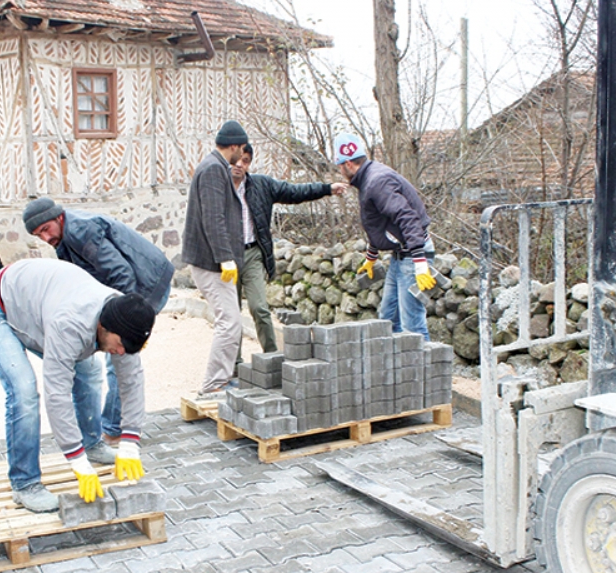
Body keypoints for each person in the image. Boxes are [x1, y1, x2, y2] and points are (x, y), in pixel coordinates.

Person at [0, 258, 156, 512]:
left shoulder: (126, 318)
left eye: (128, 348)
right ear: (103, 326)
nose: (121, 352)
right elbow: (57, 393)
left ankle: (92, 443)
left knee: (90, 372)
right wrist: (76, 461)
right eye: (120, 345)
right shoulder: (70, 325)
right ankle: (25, 483)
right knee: (24, 391)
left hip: (36, 308)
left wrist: (131, 439)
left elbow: (132, 381)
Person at [23, 198, 174, 447]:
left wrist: (123, 323)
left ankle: (115, 429)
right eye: (39, 235)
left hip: (145, 284)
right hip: (130, 286)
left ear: (58, 218)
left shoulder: (81, 232)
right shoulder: (63, 236)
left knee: (119, 355)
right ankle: (113, 426)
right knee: (114, 351)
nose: (45, 238)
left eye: (46, 230)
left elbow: (121, 273)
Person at [231, 143, 348, 353]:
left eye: (245, 161)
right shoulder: (218, 189)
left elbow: (294, 192)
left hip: (253, 254)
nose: (239, 165)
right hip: (228, 257)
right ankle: (234, 364)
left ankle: (271, 356)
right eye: (236, 160)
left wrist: (327, 188)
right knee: (231, 313)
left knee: (259, 308)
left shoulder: (261, 185)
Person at [333, 132, 435, 338]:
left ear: (348, 164)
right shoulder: (369, 179)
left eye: (339, 166)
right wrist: (371, 257)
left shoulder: (377, 182)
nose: (340, 171)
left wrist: (421, 264)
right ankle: (394, 367)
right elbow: (382, 224)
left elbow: (407, 218)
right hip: (400, 256)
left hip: (412, 256)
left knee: (412, 327)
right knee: (387, 319)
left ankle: (422, 368)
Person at [181, 120, 249, 398]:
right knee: (230, 323)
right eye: (241, 149)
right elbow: (213, 218)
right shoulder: (212, 170)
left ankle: (219, 381)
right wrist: (225, 258)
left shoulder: (214, 167)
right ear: (233, 146)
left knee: (230, 322)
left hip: (213, 260)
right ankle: (213, 386)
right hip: (210, 262)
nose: (241, 155)